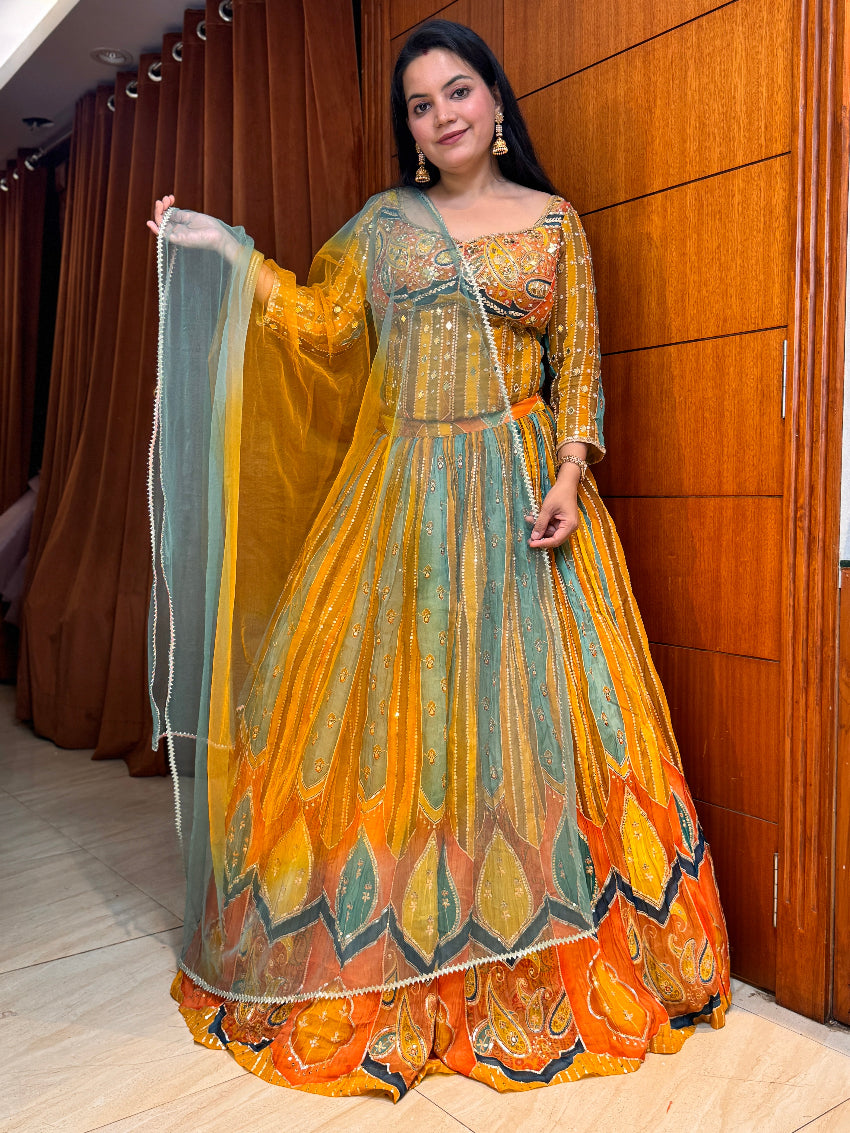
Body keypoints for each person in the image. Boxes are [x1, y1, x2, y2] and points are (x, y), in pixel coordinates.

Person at [146, 19, 730, 1100]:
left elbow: (579, 367)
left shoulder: (555, 224)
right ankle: (390, 940)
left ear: (494, 101)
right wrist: (232, 253)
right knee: (398, 722)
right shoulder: (384, 227)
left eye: (457, 90)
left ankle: (548, 950)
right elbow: (322, 325)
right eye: (420, 104)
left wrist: (569, 475)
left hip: (524, 503)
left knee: (527, 721)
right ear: (410, 129)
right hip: (401, 504)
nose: (442, 114)